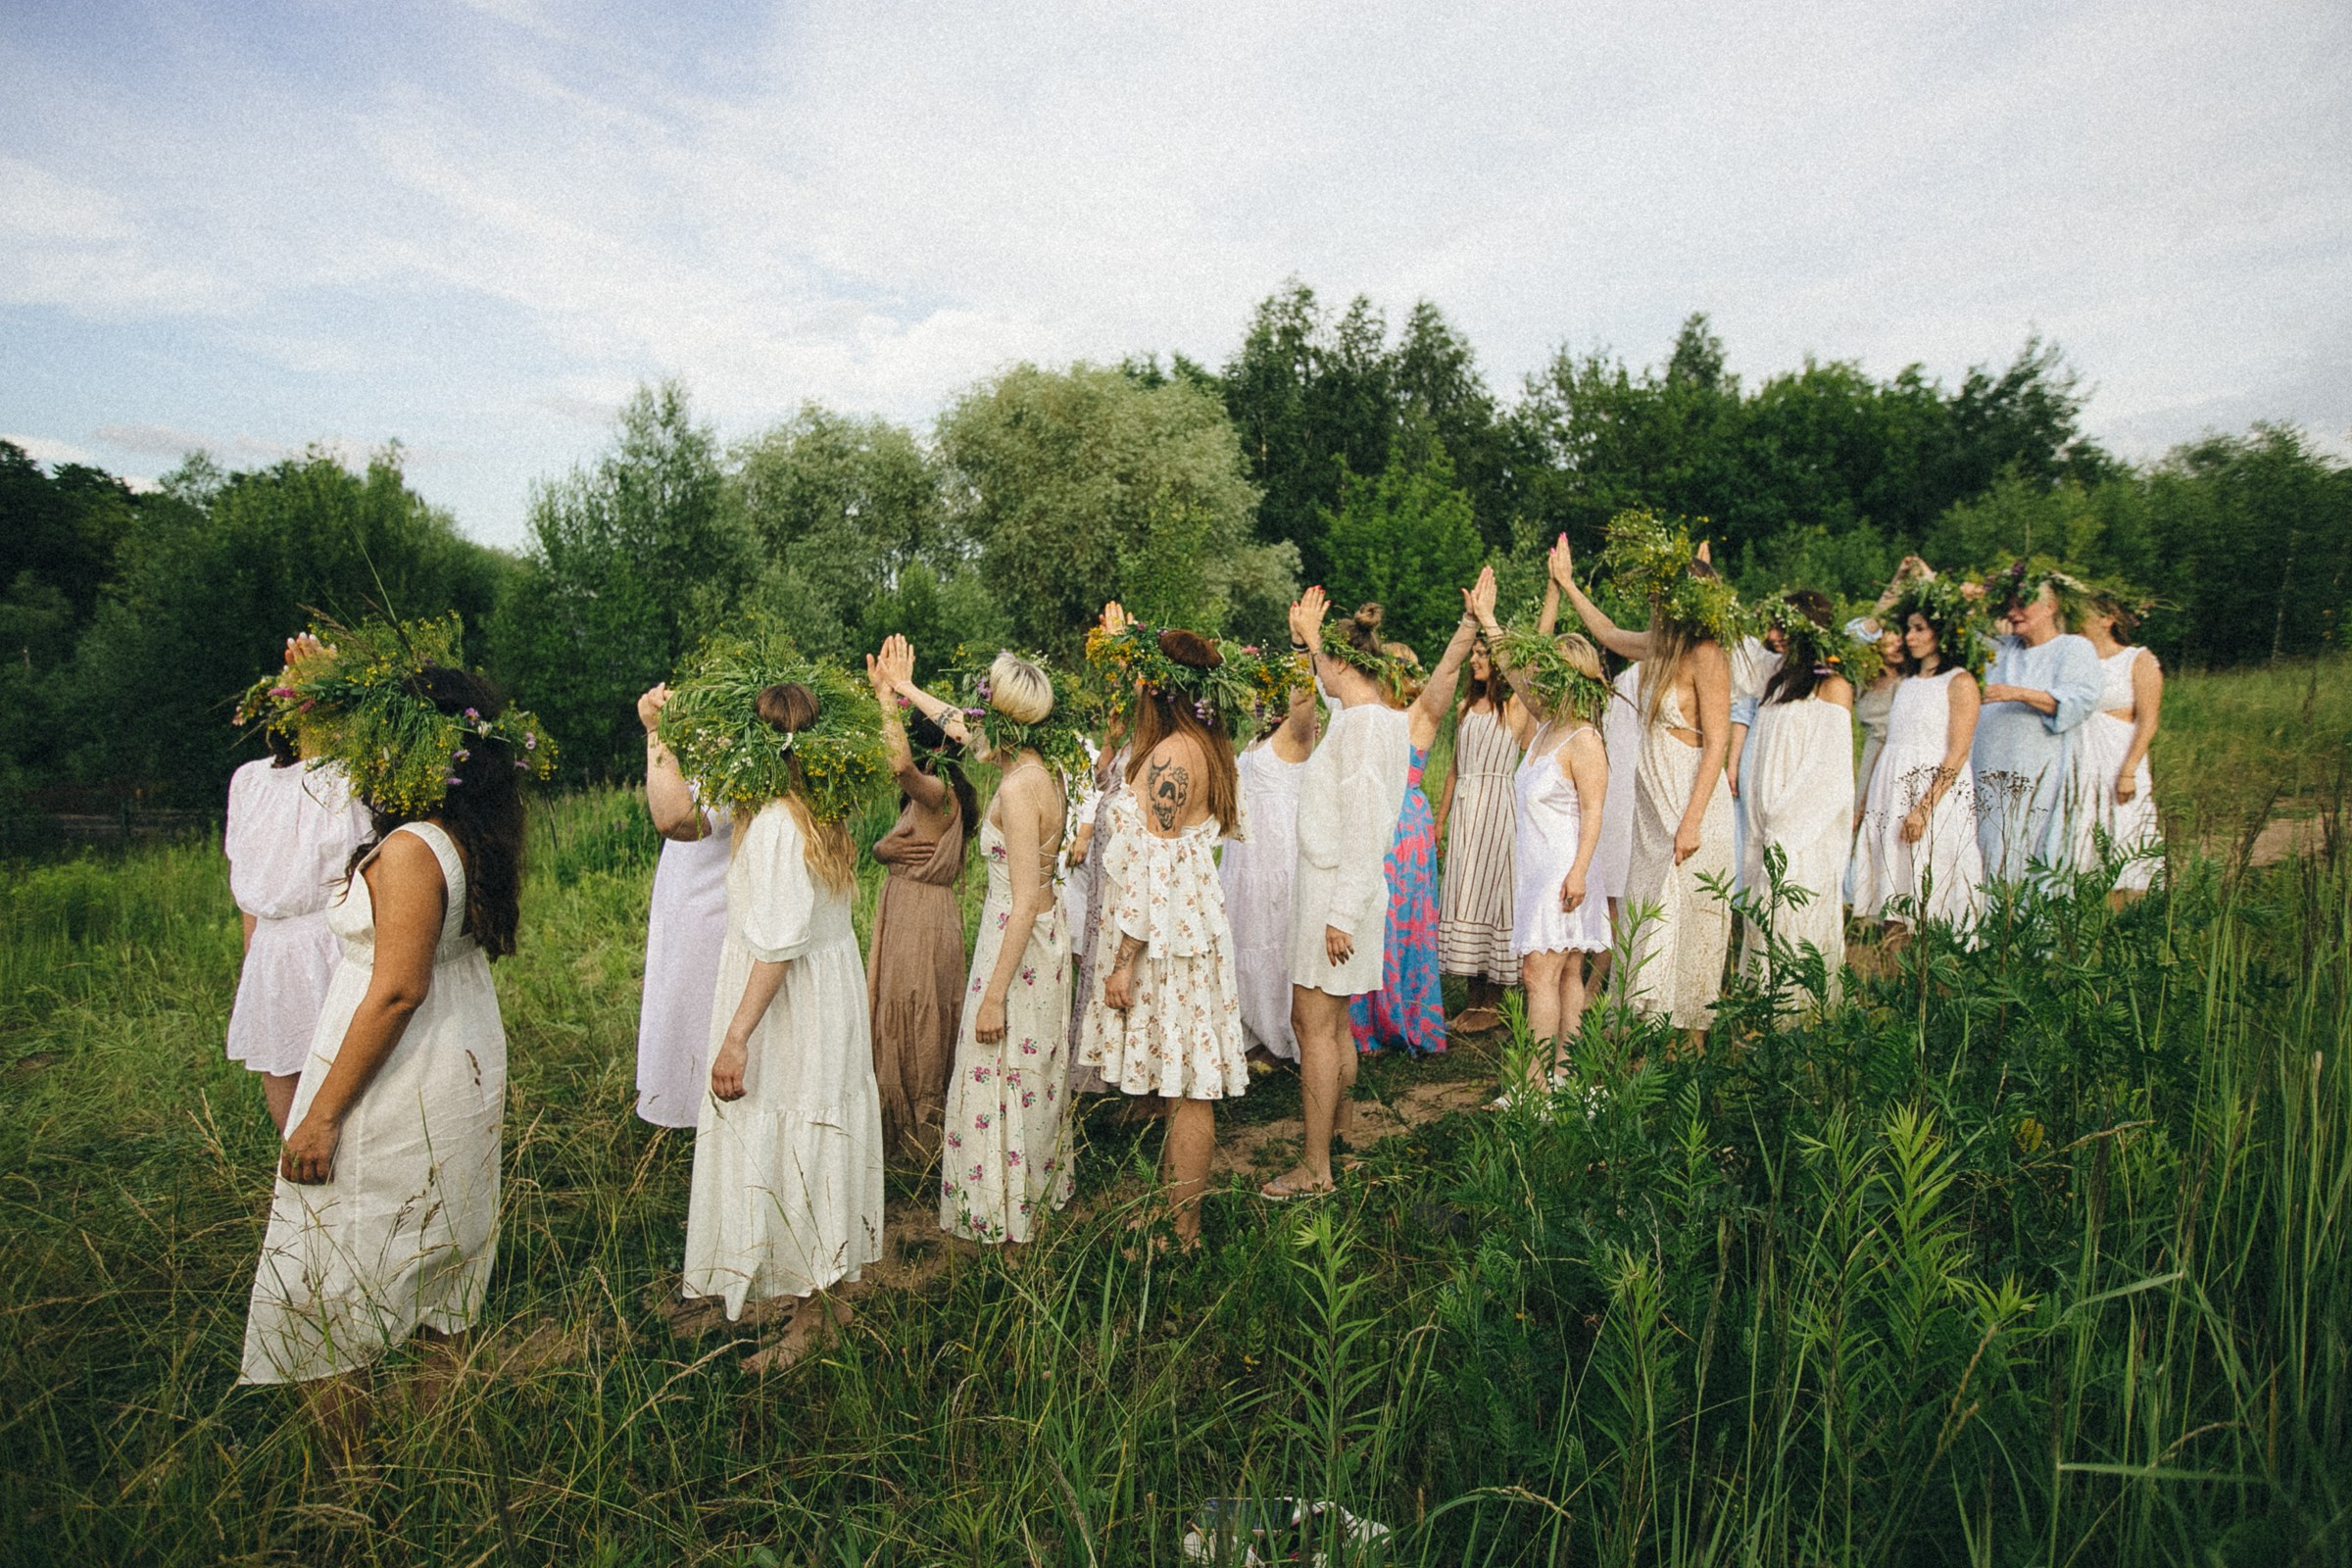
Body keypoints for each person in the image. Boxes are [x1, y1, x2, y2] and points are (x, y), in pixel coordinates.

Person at [239, 653, 534, 1449]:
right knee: (438, 1264)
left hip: (406, 1069)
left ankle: (354, 1485)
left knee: (338, 1273)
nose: (362, 754)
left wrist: (322, 1114)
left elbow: (397, 988)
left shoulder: (409, 849)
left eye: (377, 736)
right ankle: (438, 1470)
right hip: (459, 1046)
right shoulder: (466, 832)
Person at [680, 680, 886, 1369]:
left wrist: (736, 1037)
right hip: (824, 1001)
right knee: (814, 1133)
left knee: (799, 1140)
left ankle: (812, 1317)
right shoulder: (816, 812)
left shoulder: (776, 826)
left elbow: (774, 948)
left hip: (792, 1009)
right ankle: (827, 1299)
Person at [888, 653, 1075, 1246]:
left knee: (1008, 1076)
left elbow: (1024, 901)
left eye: (984, 701)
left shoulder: (1021, 790)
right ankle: (1021, 1210)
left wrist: (992, 998)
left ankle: (1012, 1225)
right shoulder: (1038, 766)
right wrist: (902, 688)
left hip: (1018, 950)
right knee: (1027, 1078)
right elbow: (960, 723)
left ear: (1007, 719)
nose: (973, 718)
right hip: (1029, 940)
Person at [1083, 627, 1251, 1247]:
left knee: (1187, 1086)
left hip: (1167, 941)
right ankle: (1169, 1209)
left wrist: (1123, 961)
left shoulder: (1173, 757)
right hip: (1182, 930)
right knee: (1179, 1081)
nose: (1133, 683)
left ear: (1160, 684)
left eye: (1141, 674)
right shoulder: (1197, 745)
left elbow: (1153, 873)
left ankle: (1184, 1231)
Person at [1552, 534, 1735, 1046]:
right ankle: (1644, 1041)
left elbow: (1717, 741)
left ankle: (1690, 1045)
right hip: (1653, 804)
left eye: (1662, 596)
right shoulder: (1658, 648)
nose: (1653, 603)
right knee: (1647, 917)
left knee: (1688, 920)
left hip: (1691, 799)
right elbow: (1607, 632)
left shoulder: (1707, 655)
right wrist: (1567, 583)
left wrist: (1693, 820)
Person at [1257, 589, 1410, 1199]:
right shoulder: (1360, 714)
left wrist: (1341, 913)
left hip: (1339, 893)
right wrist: (1306, 642)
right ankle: (1338, 1135)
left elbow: (1367, 824)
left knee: (1312, 1025)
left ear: (1345, 664)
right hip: (1339, 889)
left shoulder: (1367, 728)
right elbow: (1323, 691)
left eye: (1325, 661)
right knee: (1336, 1024)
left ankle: (1315, 1169)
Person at [1473, 609, 1612, 1092]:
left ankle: (1534, 1085)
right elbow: (1512, 670)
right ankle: (1566, 1078)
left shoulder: (1584, 738)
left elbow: (1594, 812)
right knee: (1567, 971)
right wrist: (1489, 622)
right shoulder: (1547, 724)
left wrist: (1578, 872)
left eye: (1551, 673)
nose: (1538, 680)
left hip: (1564, 869)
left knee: (1538, 974)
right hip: (1536, 868)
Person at [224, 705, 369, 1135]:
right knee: (284, 1061)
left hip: (336, 935)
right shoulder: (249, 781)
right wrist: (255, 962)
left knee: (348, 1072)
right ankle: (299, 1175)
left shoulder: (349, 775)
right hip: (274, 945)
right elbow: (248, 884)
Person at [861, 638, 976, 1162]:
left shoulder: (936, 790)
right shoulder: (944, 793)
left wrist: (891, 698)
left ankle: (916, 1139)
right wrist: (883, 850)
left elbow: (903, 768)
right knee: (907, 1008)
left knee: (915, 1012)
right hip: (918, 911)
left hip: (920, 918)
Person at [1350, 621, 1481, 1056]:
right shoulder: (1360, 713)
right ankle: (1364, 1021)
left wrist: (1468, 625)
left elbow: (1447, 669)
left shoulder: (1417, 716)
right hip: (1380, 820)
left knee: (1398, 921)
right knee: (1369, 917)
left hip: (1400, 826)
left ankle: (1391, 1020)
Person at [1737, 593, 1856, 1005]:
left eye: (1782, 628)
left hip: (1799, 834)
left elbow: (1829, 772)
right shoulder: (1777, 677)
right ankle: (1760, 1015)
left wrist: (1784, 828)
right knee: (1762, 923)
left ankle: (1799, 1020)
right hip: (1763, 825)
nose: (1772, 636)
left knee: (1795, 923)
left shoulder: (1831, 684)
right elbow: (1738, 654)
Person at [1851, 590, 1985, 942]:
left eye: (1919, 629)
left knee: (1930, 873)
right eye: (1907, 629)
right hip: (1891, 787)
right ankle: (1893, 972)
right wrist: (1866, 800)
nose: (1909, 637)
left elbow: (1957, 753)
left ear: (1941, 632)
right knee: (1893, 880)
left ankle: (1936, 967)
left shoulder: (1959, 681)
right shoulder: (1905, 684)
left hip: (1932, 793)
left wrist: (1922, 809)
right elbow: (1888, 742)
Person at [635, 683, 734, 1132]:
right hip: (685, 919)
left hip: (711, 926)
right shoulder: (714, 768)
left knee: (698, 1025)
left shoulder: (741, 773)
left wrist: (657, 735)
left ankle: (711, 1123)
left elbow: (674, 819)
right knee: (679, 1023)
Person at [1974, 568, 2103, 887]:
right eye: (2010, 605)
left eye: (2023, 605)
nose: (2013, 613)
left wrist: (2016, 692)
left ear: (2050, 606)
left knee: (2032, 846)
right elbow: (1953, 629)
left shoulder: (2072, 648)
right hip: (1989, 767)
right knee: (1988, 847)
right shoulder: (2001, 649)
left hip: (2038, 769)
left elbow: (2080, 702)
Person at [1221, 676, 1316, 1060]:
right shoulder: (1255, 741)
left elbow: (1304, 708)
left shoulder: (1297, 738)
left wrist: (1299, 655)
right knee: (1245, 934)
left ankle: (1281, 1031)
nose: (1260, 700)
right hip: (1246, 857)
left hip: (1276, 855)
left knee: (1275, 939)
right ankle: (1251, 1029)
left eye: (1270, 690)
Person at [1434, 635, 1523, 1032]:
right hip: (1468, 813)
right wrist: (1441, 818)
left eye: (1483, 654)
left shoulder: (1515, 707)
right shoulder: (1465, 708)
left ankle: (1494, 1003)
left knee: (1493, 898)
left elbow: (1531, 658)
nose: (1474, 660)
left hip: (1499, 808)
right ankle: (1473, 999)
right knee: (1466, 896)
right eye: (1474, 653)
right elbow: (1454, 767)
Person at [2071, 592, 2165, 897]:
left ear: (2106, 619)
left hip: (2118, 758)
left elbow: (2148, 720)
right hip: (2080, 759)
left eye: (2082, 614)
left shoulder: (2136, 659)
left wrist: (2129, 770)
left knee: (2125, 834)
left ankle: (2130, 914)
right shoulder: (2071, 661)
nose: (2076, 621)